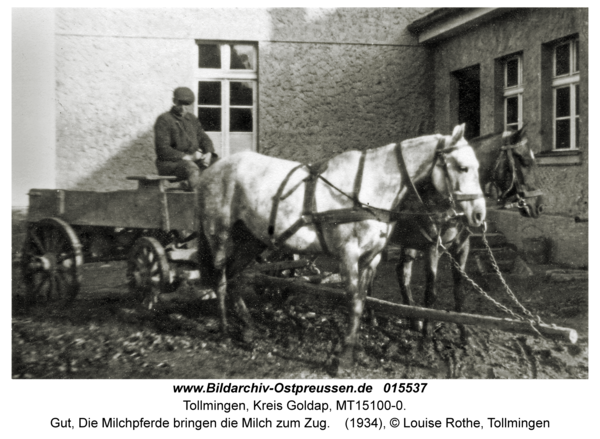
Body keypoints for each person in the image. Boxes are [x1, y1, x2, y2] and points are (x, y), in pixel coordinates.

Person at [154, 87, 217, 191]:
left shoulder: (192, 119)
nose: (183, 109)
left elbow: (204, 138)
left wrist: (208, 152)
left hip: (191, 162)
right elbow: (162, 149)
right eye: (180, 104)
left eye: (187, 105)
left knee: (218, 163)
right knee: (191, 168)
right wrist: (185, 157)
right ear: (174, 101)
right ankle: (195, 200)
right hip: (169, 164)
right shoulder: (164, 120)